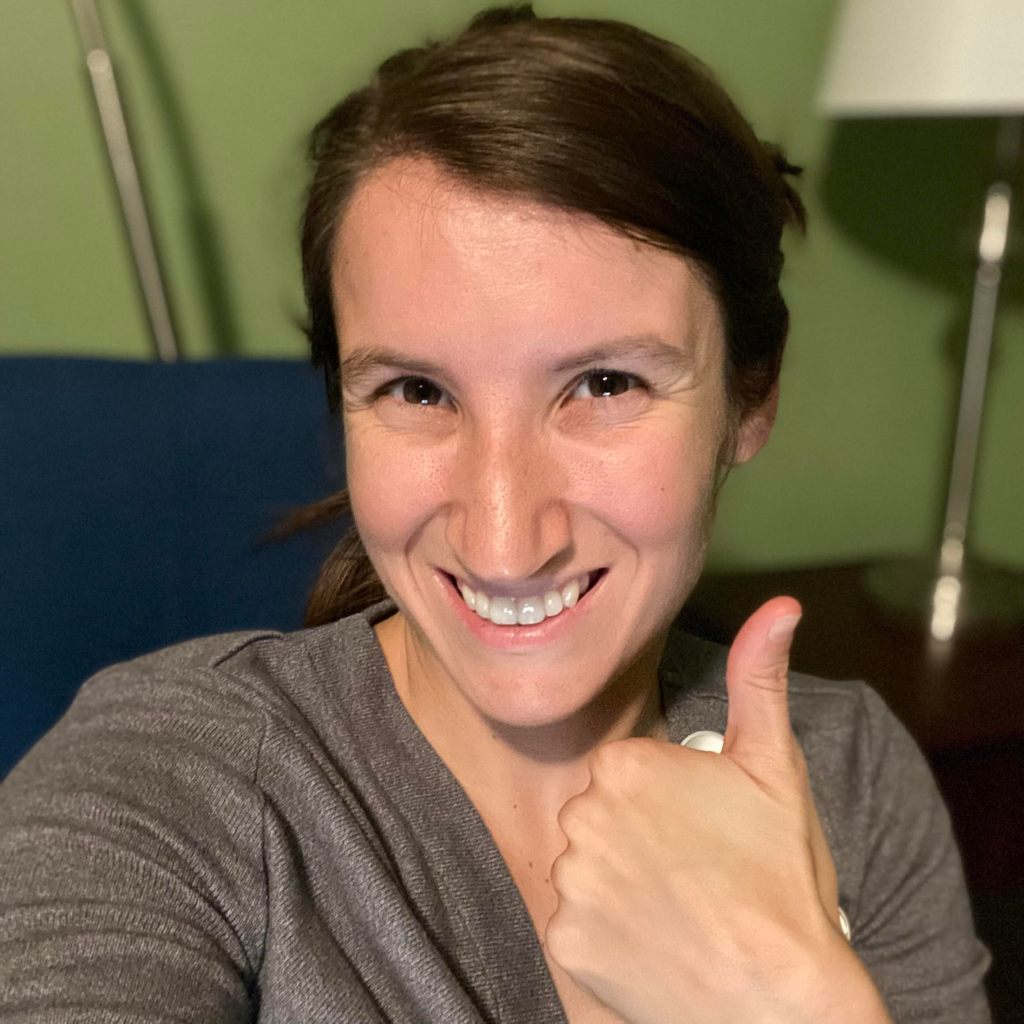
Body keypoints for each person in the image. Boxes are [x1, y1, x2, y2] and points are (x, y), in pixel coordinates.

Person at [0, 6, 990, 1022]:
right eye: (418, 391)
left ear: (751, 398)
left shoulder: (850, 775)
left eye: (604, 383)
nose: (504, 539)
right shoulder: (164, 778)